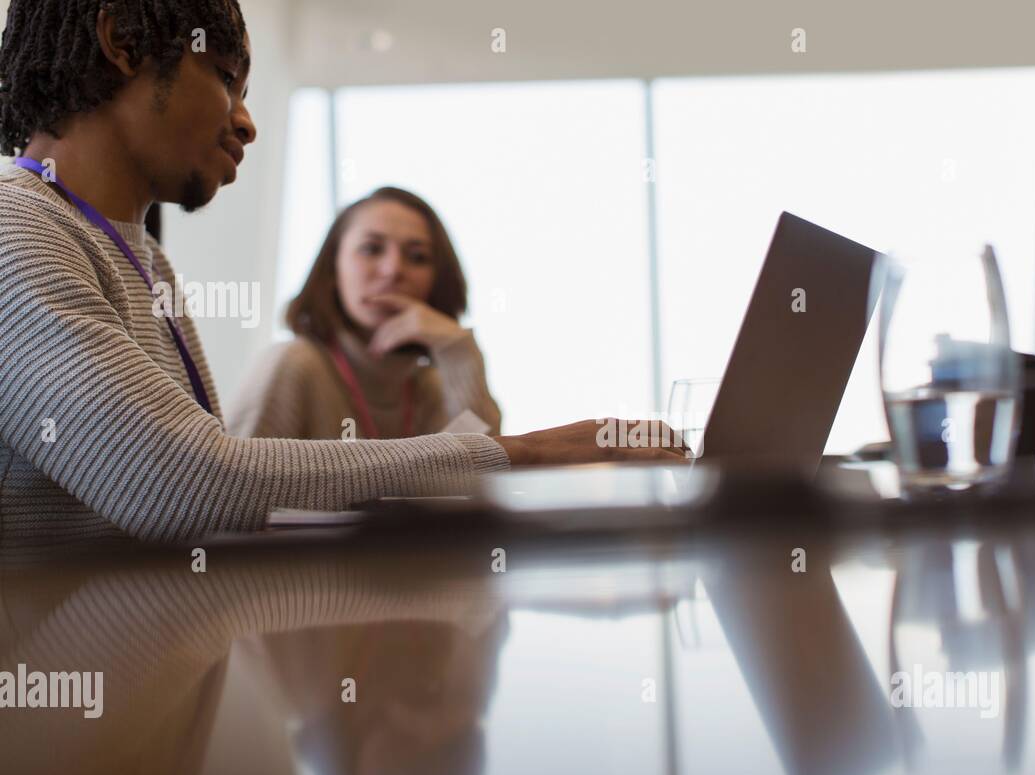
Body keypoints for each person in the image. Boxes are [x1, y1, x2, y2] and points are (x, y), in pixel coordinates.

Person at [0, 0, 685, 547]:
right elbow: (182, 484)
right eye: (226, 79)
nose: (246, 122)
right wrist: (528, 453)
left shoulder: (142, 259)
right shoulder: (15, 229)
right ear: (122, 41)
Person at [230, 187, 504, 442]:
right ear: (333, 270)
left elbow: (481, 473)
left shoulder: (429, 386)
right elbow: (231, 488)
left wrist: (458, 349)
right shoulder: (294, 365)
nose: (393, 269)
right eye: (372, 249)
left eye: (418, 257)